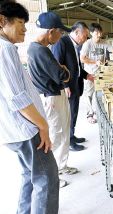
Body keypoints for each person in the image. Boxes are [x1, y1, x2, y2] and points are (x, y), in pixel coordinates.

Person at [0, 2, 59, 213]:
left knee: (29, 175)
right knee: (47, 179)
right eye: (20, 22)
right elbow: (17, 97)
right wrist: (42, 125)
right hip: (25, 129)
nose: (25, 28)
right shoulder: (4, 48)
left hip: (14, 129)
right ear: (1, 21)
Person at [27, 11, 79, 188]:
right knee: (56, 135)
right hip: (51, 97)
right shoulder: (40, 51)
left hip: (54, 95)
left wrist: (62, 70)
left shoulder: (39, 49)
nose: (61, 36)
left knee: (63, 131)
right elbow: (62, 75)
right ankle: (53, 175)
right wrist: (64, 70)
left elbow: (60, 73)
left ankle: (62, 166)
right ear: (51, 31)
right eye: (60, 33)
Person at [51, 21, 94, 151]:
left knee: (73, 113)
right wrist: (64, 85)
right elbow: (57, 65)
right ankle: (68, 141)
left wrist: (87, 75)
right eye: (85, 35)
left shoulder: (76, 46)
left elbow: (77, 67)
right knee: (68, 114)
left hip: (75, 85)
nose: (86, 38)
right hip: (68, 87)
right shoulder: (62, 42)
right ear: (76, 32)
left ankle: (72, 136)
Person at [80, 23, 113, 124]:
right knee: (89, 94)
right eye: (96, 32)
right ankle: (89, 114)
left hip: (102, 73)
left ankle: (99, 112)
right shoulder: (88, 44)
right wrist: (95, 62)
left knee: (101, 92)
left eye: (100, 31)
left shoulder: (105, 42)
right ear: (91, 33)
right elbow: (82, 59)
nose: (99, 34)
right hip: (89, 73)